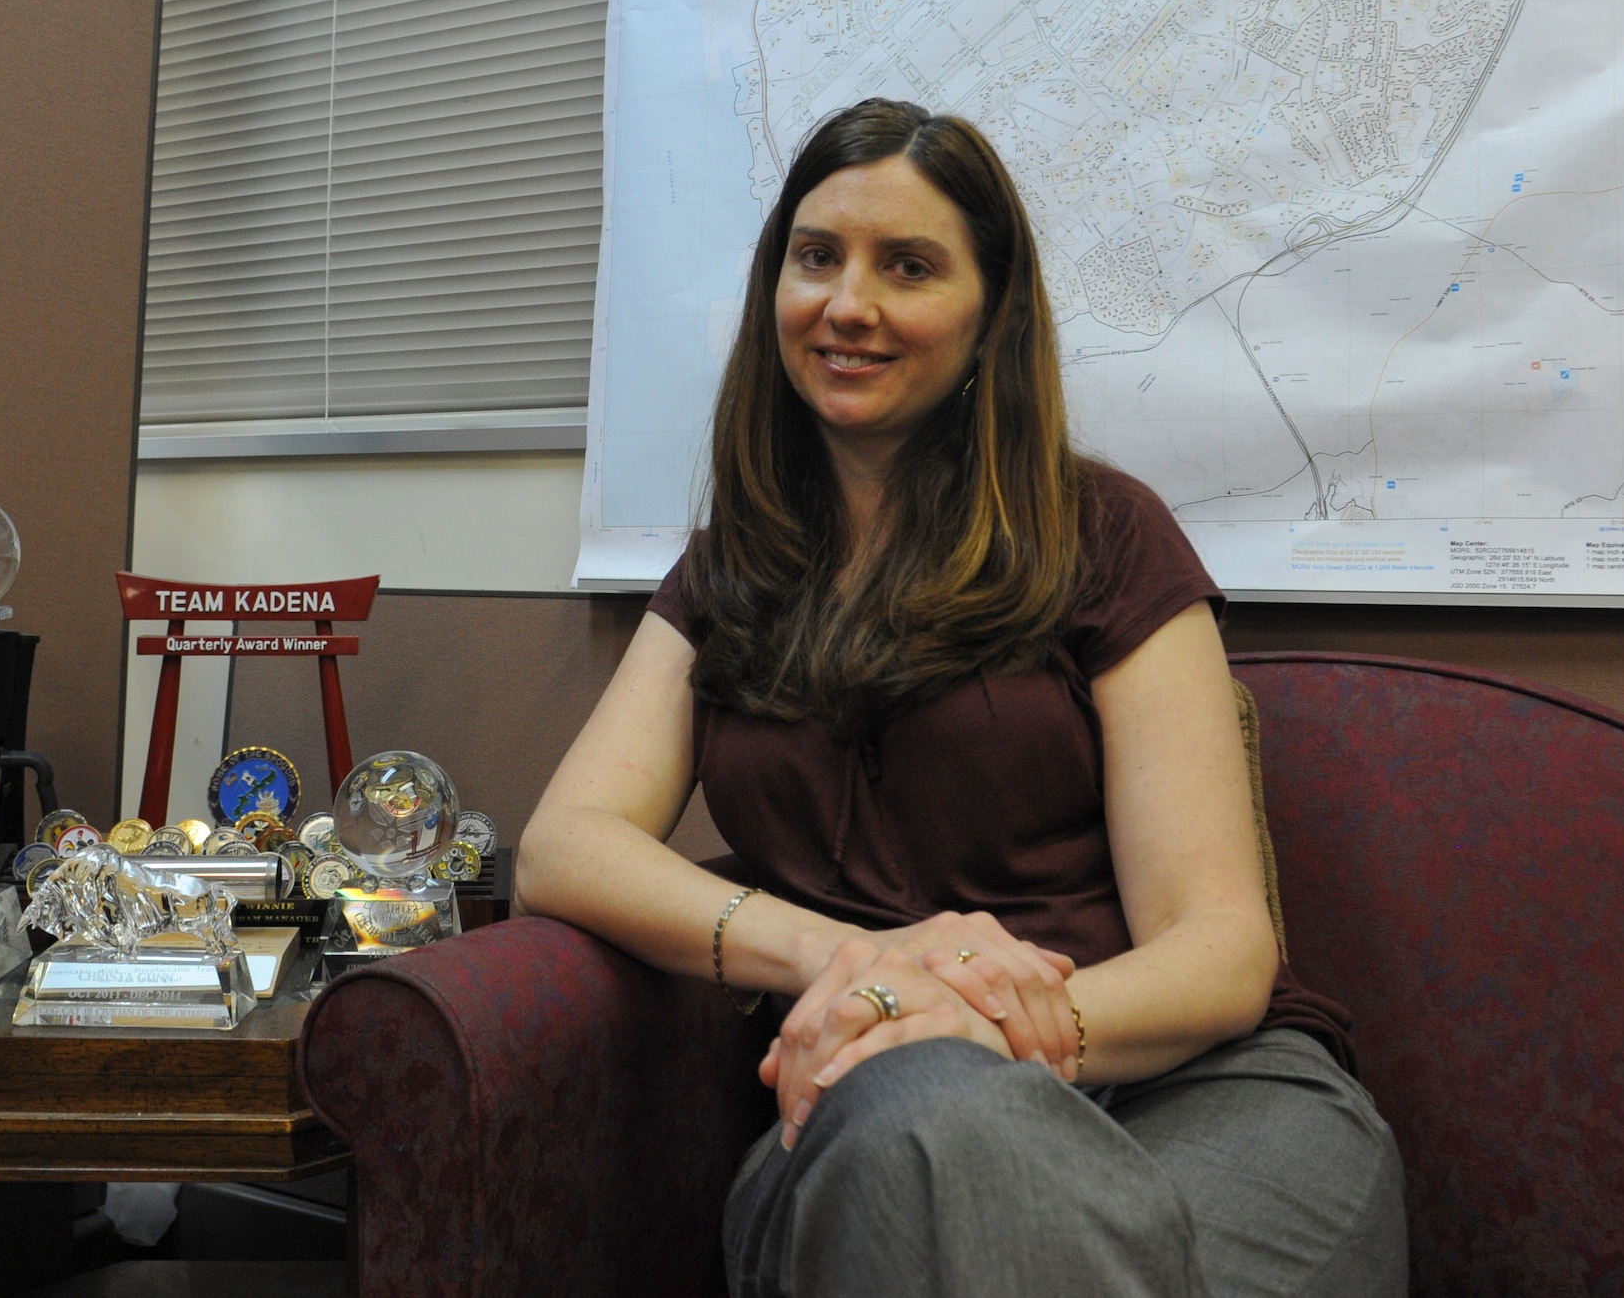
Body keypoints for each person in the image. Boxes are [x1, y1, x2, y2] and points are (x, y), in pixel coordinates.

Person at [516, 98, 1405, 1297]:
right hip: (882, 1105)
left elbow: (1220, 947)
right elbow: (565, 845)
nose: (847, 303)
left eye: (908, 266)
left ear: (992, 314)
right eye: (816, 256)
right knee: (945, 1134)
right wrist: (859, 963)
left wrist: (995, 1020)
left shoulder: (1105, 533)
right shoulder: (731, 570)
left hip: (1200, 1090)